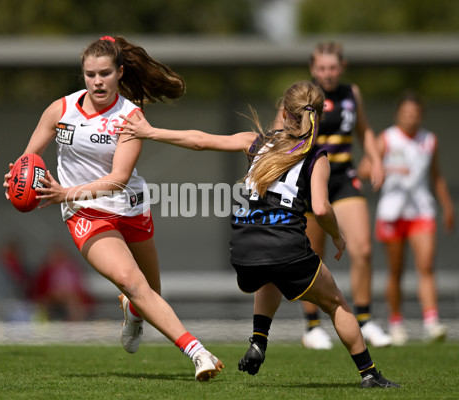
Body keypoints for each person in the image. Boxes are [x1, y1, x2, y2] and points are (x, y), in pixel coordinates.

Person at [117, 80, 400, 388]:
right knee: (336, 304)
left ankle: (259, 342)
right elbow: (321, 209)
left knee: (271, 272)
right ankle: (370, 373)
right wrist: (337, 236)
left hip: (243, 249)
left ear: (285, 113)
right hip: (285, 246)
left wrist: (150, 132)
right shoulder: (316, 157)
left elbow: (198, 140)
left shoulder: (256, 142)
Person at [2, 35, 223, 381]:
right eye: (90, 74)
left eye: (105, 73)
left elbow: (119, 179)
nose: (97, 81)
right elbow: (28, 161)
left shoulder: (131, 117)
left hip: (129, 206)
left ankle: (133, 314)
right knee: (134, 284)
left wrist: (65, 192)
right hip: (85, 214)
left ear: (120, 72)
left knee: (148, 294)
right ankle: (198, 353)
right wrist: (15, 180)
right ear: (83, 75)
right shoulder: (60, 111)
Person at [278, 41, 392, 349]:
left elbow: (365, 130)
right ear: (313, 69)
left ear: (342, 67)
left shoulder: (351, 94)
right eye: (321, 68)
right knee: (311, 255)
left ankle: (365, 320)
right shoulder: (302, 97)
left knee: (364, 249)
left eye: (332, 67)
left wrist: (376, 158)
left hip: (343, 178)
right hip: (311, 179)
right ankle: (312, 326)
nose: (327, 73)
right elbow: (279, 132)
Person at [359, 91, 454, 345]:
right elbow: (364, 169)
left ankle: (432, 321)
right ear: (398, 115)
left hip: (421, 211)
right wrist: (386, 168)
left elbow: (436, 175)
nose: (411, 119)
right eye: (406, 114)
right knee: (396, 271)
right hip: (392, 212)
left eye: (415, 114)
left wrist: (447, 206)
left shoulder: (429, 140)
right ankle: (396, 322)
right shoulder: (386, 139)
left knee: (426, 267)